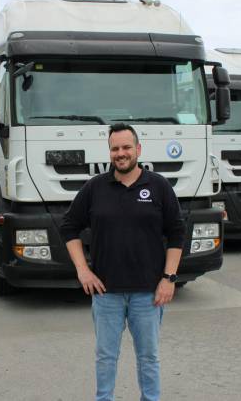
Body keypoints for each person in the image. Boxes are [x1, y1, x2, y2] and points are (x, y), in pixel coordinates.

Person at [60, 122, 184, 401]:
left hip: (148, 293)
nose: (121, 153)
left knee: (149, 358)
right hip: (107, 293)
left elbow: (177, 232)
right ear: (109, 152)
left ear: (138, 149)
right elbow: (68, 227)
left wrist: (169, 278)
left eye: (126, 147)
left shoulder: (158, 186)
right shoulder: (95, 188)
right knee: (105, 357)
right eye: (115, 148)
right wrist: (83, 271)